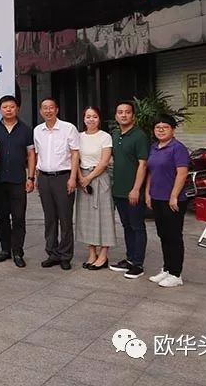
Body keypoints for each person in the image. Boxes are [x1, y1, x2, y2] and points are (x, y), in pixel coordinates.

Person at [33, 97, 80, 270]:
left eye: (51, 107)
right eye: (44, 108)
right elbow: (38, 155)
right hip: (44, 178)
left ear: (57, 109)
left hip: (63, 177)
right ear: (40, 111)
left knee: (65, 218)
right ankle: (52, 253)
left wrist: (73, 178)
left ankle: (66, 255)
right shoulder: (38, 130)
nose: (48, 111)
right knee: (49, 218)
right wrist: (37, 177)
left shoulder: (68, 128)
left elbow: (75, 154)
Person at [0, 95, 35, 268]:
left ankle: (18, 252)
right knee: (2, 217)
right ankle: (5, 250)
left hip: (18, 180)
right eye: (5, 107)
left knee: (18, 217)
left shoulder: (26, 130)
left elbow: (31, 154)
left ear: (17, 108)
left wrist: (31, 177)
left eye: (12, 106)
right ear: (0, 109)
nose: (8, 109)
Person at [145, 115, 190, 288]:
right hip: (157, 198)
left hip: (173, 200)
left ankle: (176, 274)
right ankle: (167, 268)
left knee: (174, 236)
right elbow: (151, 172)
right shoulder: (154, 147)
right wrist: (148, 193)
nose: (161, 130)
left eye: (165, 127)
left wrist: (174, 196)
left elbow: (182, 173)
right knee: (163, 234)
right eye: (158, 127)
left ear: (173, 130)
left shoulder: (178, 148)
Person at [109, 100, 149, 279]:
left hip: (133, 191)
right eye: (120, 112)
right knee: (126, 226)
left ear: (133, 115)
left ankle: (138, 264)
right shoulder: (116, 134)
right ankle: (130, 259)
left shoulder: (139, 136)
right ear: (116, 116)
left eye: (127, 112)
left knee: (137, 226)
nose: (123, 115)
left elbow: (143, 164)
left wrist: (136, 189)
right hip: (118, 190)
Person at [74, 106, 115, 270]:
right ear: (84, 119)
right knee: (86, 218)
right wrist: (80, 178)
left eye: (95, 116)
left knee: (104, 217)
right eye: (88, 116)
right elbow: (74, 158)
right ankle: (92, 253)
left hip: (99, 177)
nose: (91, 119)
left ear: (99, 119)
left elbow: (104, 162)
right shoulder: (78, 136)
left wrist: (88, 178)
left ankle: (103, 255)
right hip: (82, 178)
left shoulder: (105, 137)